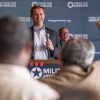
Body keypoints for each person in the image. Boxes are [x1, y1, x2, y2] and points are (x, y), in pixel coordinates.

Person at [0, 16, 59, 100]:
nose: (39, 17)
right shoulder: (46, 95)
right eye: (36, 14)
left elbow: (59, 53)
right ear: (28, 48)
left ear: (44, 15)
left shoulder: (53, 33)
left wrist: (53, 49)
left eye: (41, 14)